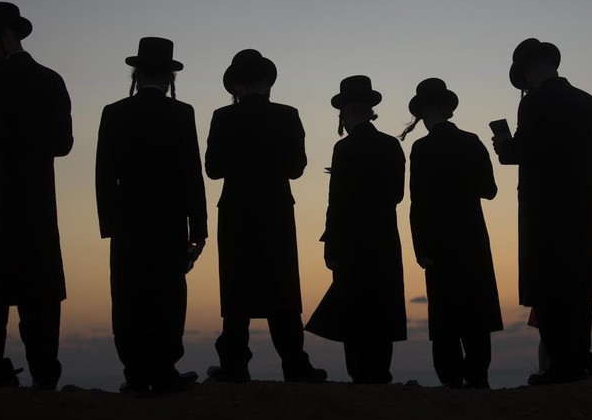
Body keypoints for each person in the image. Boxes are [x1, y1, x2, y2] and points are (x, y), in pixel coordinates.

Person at [0, 2, 72, 389]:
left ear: (7, 37)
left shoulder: (1, 75)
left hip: (0, 198)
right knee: (38, 289)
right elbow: (63, 143)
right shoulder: (52, 79)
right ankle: (44, 374)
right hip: (37, 198)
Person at [204, 49, 326, 383]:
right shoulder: (287, 115)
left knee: (235, 288)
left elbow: (213, 169)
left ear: (236, 88)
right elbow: (297, 168)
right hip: (275, 209)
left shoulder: (223, 117)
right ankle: (295, 364)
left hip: (236, 211)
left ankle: (234, 365)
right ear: (267, 84)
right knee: (282, 286)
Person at [492, 38, 592, 385]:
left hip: (547, 213)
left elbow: (524, 151)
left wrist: (504, 147)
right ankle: (581, 357)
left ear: (527, 72)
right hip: (587, 211)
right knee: (580, 286)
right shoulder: (591, 103)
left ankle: (562, 364)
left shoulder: (536, 104)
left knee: (551, 285)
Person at [95, 37, 206, 396]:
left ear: (136, 72)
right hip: (170, 219)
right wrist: (199, 228)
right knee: (168, 294)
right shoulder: (181, 112)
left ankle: (135, 373)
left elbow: (103, 173)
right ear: (170, 77)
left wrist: (109, 222)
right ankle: (164, 370)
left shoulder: (114, 112)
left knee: (128, 294)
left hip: (127, 219)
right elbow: (193, 172)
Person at [401, 78, 503, 389]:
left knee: (444, 312)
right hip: (472, 237)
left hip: (438, 242)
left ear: (424, 114)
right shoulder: (472, 142)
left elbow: (416, 203)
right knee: (475, 308)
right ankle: (478, 375)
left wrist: (420, 248)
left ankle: (450, 380)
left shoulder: (421, 148)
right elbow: (490, 191)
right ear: (449, 109)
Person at [306, 75, 407, 384]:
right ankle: (379, 372)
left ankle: (359, 372)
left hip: (351, 240)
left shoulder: (345, 148)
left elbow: (336, 203)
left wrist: (331, 245)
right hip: (384, 236)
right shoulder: (391, 145)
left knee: (354, 305)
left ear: (345, 113)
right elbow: (397, 195)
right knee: (382, 302)